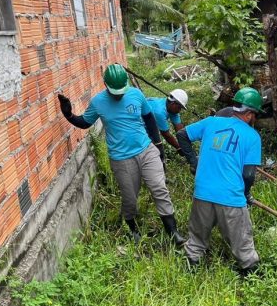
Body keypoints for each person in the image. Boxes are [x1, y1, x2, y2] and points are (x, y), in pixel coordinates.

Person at [57, 64, 186, 245]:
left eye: (121, 91)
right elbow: (85, 123)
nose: (118, 94)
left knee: (159, 188)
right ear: (105, 84)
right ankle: (132, 227)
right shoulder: (98, 102)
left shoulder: (136, 94)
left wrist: (158, 146)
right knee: (129, 198)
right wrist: (69, 115)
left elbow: (149, 118)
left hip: (145, 150)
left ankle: (173, 232)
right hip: (121, 158)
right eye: (114, 91)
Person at [176, 87, 264, 275]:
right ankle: (250, 272)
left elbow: (182, 135)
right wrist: (245, 193)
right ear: (249, 114)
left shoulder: (211, 122)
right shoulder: (252, 137)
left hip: (202, 192)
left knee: (197, 238)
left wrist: (194, 162)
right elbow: (248, 175)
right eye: (255, 115)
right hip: (230, 197)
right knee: (242, 242)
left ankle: (191, 263)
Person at [146, 89, 188, 156]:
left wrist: (186, 144)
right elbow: (166, 135)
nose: (180, 110)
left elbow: (180, 130)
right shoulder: (159, 111)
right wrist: (179, 148)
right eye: (179, 108)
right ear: (173, 103)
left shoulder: (172, 108)